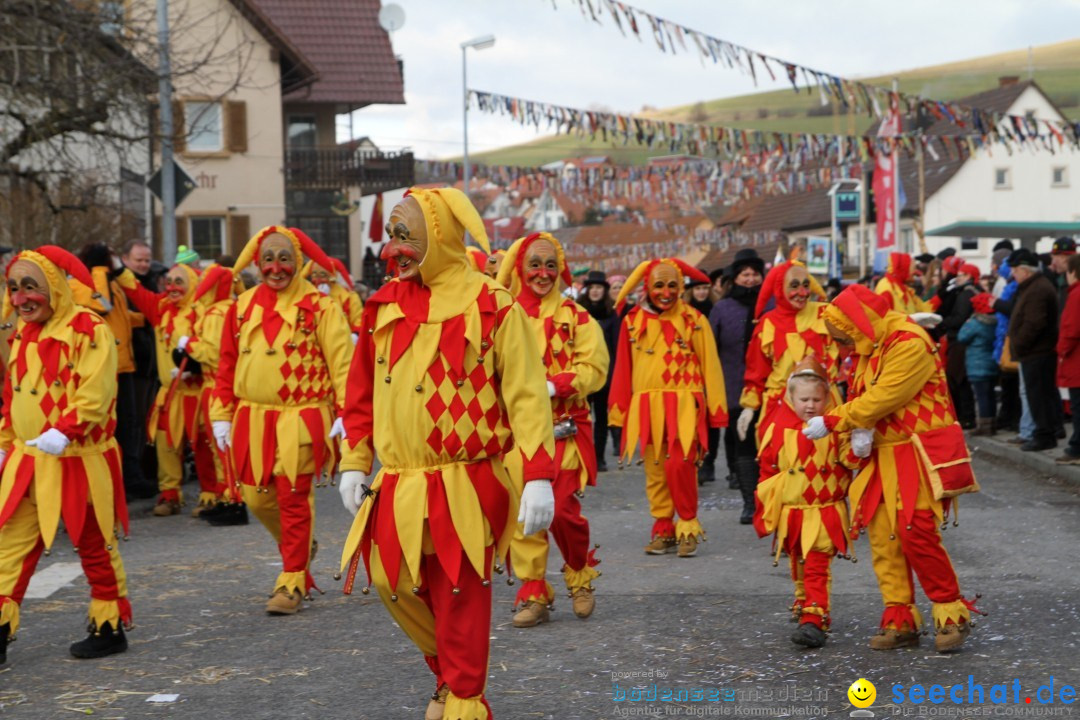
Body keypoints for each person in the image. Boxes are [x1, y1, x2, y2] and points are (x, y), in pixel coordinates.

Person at [337, 188, 556, 719]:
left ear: (439, 238)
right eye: (392, 239)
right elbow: (360, 391)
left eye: (406, 239)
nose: (394, 252)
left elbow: (526, 395)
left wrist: (538, 474)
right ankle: (446, 674)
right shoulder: (383, 304)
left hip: (467, 478)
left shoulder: (493, 305)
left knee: (459, 590)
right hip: (400, 479)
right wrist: (354, 459)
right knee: (391, 581)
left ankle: (463, 699)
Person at [807, 284, 980, 653]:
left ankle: (951, 613)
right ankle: (900, 618)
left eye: (845, 338)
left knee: (916, 532)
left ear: (859, 326)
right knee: (884, 537)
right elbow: (864, 397)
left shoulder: (909, 344)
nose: (844, 347)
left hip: (913, 453)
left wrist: (834, 420)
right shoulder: (872, 345)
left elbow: (883, 397)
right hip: (882, 456)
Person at [0, 247, 132, 664]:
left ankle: (109, 627)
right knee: (9, 546)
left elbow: (96, 390)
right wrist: (4, 441)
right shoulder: (21, 332)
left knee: (93, 542)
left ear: (52, 288)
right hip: (28, 460)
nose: (22, 298)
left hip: (78, 456)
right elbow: (12, 393)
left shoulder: (87, 328)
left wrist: (65, 430)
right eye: (14, 289)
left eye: (31, 288)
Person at [210, 227, 352, 614]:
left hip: (302, 417)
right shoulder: (241, 307)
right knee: (256, 497)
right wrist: (221, 413)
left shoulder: (321, 308)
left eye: (285, 258)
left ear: (299, 262)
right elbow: (226, 364)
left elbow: (342, 365)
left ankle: (292, 580)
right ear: (258, 263)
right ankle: (301, 547)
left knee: (292, 497)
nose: (277, 268)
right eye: (269, 259)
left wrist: (346, 413)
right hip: (252, 418)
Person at [496, 233, 609, 628]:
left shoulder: (577, 317)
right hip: (519, 432)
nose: (542, 274)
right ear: (521, 269)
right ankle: (533, 591)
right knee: (526, 512)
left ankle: (579, 573)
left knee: (562, 510)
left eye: (549, 265)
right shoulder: (505, 315)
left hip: (564, 428)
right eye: (534, 265)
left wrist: (554, 385)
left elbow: (595, 369)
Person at [608, 258, 727, 557]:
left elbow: (711, 365)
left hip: (685, 403)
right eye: (659, 285)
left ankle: (687, 525)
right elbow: (623, 367)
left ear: (681, 287)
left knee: (681, 464)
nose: (665, 291)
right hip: (647, 405)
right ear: (648, 287)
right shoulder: (632, 322)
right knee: (656, 468)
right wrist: (618, 410)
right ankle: (663, 526)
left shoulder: (694, 320)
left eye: (672, 285)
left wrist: (717, 408)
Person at [754, 356, 864, 649]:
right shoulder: (777, 429)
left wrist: (860, 442)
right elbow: (768, 469)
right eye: (804, 399)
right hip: (793, 512)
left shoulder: (837, 427)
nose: (811, 405)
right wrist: (766, 508)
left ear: (828, 397)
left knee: (817, 564)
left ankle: (815, 618)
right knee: (799, 562)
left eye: (817, 399)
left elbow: (849, 460)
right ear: (790, 398)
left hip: (825, 510)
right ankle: (803, 601)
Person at [738, 259, 840, 523]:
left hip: (822, 400)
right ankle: (784, 525)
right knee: (782, 465)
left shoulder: (825, 314)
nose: (802, 292)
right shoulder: (768, 323)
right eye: (794, 286)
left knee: (823, 461)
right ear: (779, 288)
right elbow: (756, 370)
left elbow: (859, 333)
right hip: (780, 406)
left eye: (806, 285)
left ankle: (821, 522)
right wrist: (749, 407)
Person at [116, 262, 218, 516]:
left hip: (197, 391)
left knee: (204, 444)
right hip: (170, 393)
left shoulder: (203, 312)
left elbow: (212, 347)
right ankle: (170, 493)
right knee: (166, 443)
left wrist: (194, 365)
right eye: (169, 282)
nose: (172, 288)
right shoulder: (160, 308)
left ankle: (211, 494)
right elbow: (136, 291)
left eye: (178, 283)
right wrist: (118, 269)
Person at [74, 243, 155, 500]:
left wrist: (146, 317)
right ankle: (117, 480)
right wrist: (98, 270)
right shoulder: (81, 284)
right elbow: (102, 305)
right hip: (105, 367)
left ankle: (130, 477)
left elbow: (121, 314)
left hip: (123, 364)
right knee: (112, 426)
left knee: (129, 424)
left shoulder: (111, 282)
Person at [183, 265, 248, 526]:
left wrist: (187, 344)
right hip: (216, 383)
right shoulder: (225, 309)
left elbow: (213, 352)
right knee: (218, 446)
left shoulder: (216, 313)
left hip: (215, 385)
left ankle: (233, 499)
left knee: (222, 446)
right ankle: (226, 496)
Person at [708, 248, 764, 491]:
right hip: (732, 381)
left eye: (754, 274)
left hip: (766, 383)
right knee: (738, 437)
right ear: (736, 278)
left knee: (764, 437)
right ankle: (745, 490)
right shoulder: (723, 308)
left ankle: (765, 487)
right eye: (745, 274)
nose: (750, 279)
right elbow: (711, 346)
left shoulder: (769, 304)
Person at [1008, 249, 1060, 452]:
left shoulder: (1037, 289)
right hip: (1035, 352)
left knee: (1038, 397)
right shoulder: (1033, 286)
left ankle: (1044, 435)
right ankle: (1047, 432)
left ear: (1025, 271)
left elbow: (1035, 323)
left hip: (1037, 353)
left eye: (1015, 270)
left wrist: (1019, 343)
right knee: (1040, 395)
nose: (1013, 274)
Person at [578, 270, 620, 471]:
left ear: (604, 290)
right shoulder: (578, 312)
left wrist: (614, 375)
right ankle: (582, 454)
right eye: (592, 288)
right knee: (582, 417)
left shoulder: (611, 315)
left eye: (599, 288)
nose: (595, 291)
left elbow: (616, 346)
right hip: (583, 373)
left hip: (605, 374)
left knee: (602, 419)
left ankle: (599, 456)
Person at [940, 263, 981, 429]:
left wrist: (942, 322)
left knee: (957, 379)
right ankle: (966, 416)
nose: (959, 277)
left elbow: (959, 318)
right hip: (961, 339)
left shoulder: (966, 294)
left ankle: (965, 416)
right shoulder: (968, 292)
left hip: (959, 340)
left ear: (970, 277)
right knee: (960, 379)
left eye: (962, 275)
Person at [957, 293, 999, 436]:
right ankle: (992, 423)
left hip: (977, 364)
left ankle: (984, 425)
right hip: (992, 362)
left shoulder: (975, 323)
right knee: (990, 395)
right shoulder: (996, 321)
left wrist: (968, 322)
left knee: (981, 396)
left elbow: (962, 337)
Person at [1056, 253, 1080, 464]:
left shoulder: (1076, 294)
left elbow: (1071, 329)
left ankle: (1076, 448)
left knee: (1077, 405)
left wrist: (1061, 350)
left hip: (1076, 360)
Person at [304, 257, 364, 333]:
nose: (318, 280)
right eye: (314, 274)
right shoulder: (309, 294)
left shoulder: (349, 297)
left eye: (323, 275)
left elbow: (358, 320)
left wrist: (355, 335)